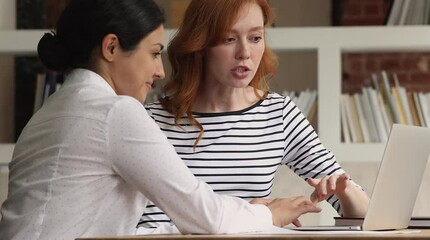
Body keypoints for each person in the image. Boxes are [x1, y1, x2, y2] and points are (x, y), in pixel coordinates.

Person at [0, 0, 321, 239]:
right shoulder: (115, 113)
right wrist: (269, 213)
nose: (160, 70)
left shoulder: (51, 111)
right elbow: (204, 216)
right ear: (111, 48)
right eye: (153, 53)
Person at [141, 0, 370, 233]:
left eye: (255, 38)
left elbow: (366, 216)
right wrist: (252, 216)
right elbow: (145, 228)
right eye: (229, 39)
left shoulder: (278, 114)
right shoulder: (150, 121)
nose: (244, 53)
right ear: (200, 44)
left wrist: (344, 190)